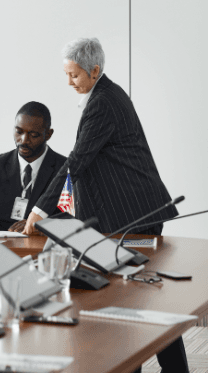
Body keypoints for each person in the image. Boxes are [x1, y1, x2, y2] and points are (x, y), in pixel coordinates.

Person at [23, 38, 186, 373]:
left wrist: (40, 209)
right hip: (123, 212)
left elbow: (78, 160)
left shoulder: (103, 101)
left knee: (138, 303)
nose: (69, 82)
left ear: (94, 70)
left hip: (135, 213)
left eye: (74, 75)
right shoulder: (102, 94)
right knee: (134, 303)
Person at [0, 102, 66, 233]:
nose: (23, 140)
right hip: (4, 248)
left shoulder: (65, 168)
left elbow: (74, 219)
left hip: (46, 249)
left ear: (48, 134)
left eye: (33, 135)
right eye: (19, 132)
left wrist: (42, 225)